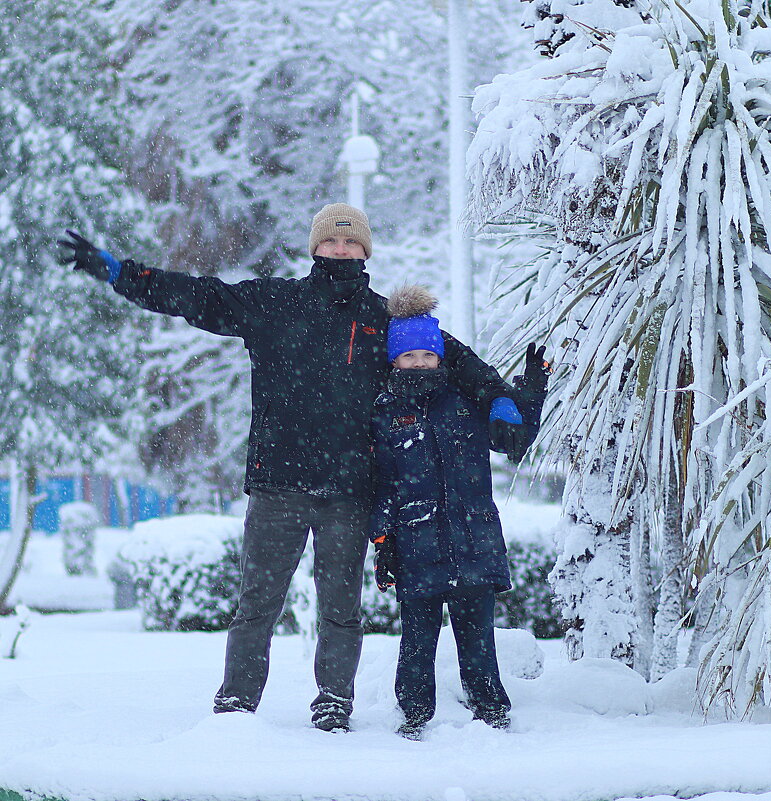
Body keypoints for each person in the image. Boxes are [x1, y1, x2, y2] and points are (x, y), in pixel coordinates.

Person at [57, 204, 531, 733]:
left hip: (350, 491)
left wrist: (501, 398)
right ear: (315, 248)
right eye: (332, 242)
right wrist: (124, 273)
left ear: (366, 251)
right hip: (277, 485)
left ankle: (334, 700)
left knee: (341, 609)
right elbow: (199, 297)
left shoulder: (386, 321)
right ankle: (236, 703)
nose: (342, 250)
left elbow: (456, 362)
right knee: (257, 603)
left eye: (352, 243)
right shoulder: (274, 304)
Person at [369, 285, 547, 740]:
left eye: (427, 356)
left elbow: (514, 440)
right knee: (417, 642)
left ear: (439, 358)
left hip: (473, 540)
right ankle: (412, 717)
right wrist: (383, 541)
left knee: (478, 641)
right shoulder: (384, 413)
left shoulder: (468, 402)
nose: (419, 363)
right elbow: (381, 485)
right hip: (416, 544)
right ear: (394, 361)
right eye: (408, 357)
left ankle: (492, 712)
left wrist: (531, 390)